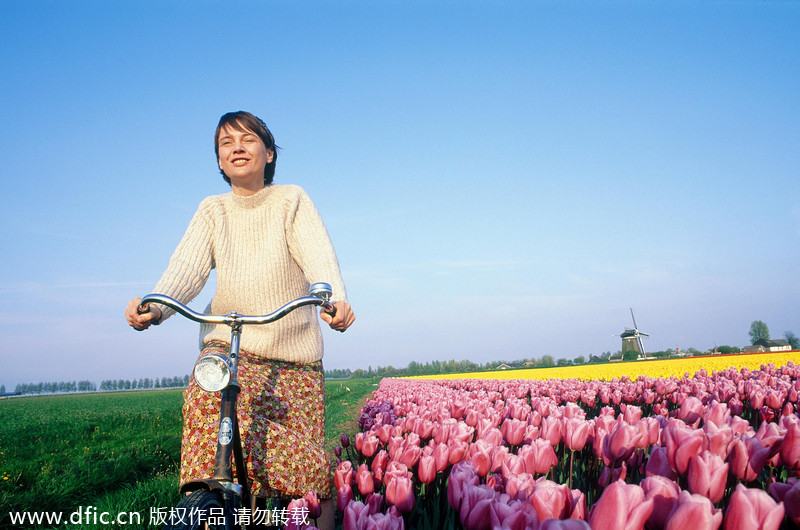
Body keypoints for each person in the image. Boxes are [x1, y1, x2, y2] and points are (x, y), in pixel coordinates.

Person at [125, 111, 354, 529]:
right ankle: (205, 500)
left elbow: (319, 255)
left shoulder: (291, 200)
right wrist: (156, 306)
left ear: (269, 153)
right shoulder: (213, 210)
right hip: (228, 346)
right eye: (226, 143)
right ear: (218, 160)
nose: (237, 148)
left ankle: (317, 488)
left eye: (248, 140)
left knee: (307, 486)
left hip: (294, 357)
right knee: (209, 404)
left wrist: (334, 299)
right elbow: (187, 269)